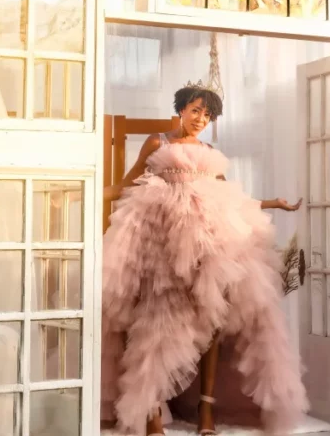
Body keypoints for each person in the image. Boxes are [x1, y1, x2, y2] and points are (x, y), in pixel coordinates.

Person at [101, 81, 309, 436]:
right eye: (195, 110)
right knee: (156, 321)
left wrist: (272, 203)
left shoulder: (210, 153)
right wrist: (79, 189)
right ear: (181, 109)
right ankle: (149, 412)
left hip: (206, 245)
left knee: (211, 316)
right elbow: (127, 184)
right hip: (160, 243)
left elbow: (230, 198)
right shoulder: (158, 142)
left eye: (208, 114)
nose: (201, 119)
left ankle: (205, 410)